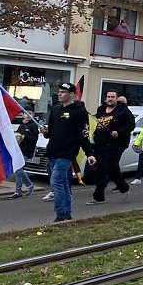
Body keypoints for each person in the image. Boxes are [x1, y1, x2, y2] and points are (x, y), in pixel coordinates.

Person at [41, 82, 95, 222]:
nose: (59, 94)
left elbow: (83, 134)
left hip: (66, 154)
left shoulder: (79, 111)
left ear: (72, 94)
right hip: (53, 151)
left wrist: (89, 153)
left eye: (63, 92)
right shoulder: (55, 110)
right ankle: (67, 213)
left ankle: (60, 214)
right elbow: (51, 132)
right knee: (64, 183)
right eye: (59, 91)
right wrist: (46, 132)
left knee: (56, 181)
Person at [87, 90, 134, 205]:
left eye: (112, 97)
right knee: (106, 169)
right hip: (100, 144)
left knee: (107, 167)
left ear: (116, 98)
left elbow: (131, 125)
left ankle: (101, 195)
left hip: (115, 145)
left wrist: (119, 132)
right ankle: (120, 188)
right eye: (108, 97)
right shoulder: (101, 109)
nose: (110, 99)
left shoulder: (123, 111)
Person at [7, 112, 37, 199]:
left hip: (27, 151)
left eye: (30, 113)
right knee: (18, 170)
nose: (27, 115)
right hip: (19, 150)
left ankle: (29, 184)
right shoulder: (22, 125)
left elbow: (35, 139)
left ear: (33, 115)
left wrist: (25, 136)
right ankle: (18, 191)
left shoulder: (33, 126)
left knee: (18, 168)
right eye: (25, 113)